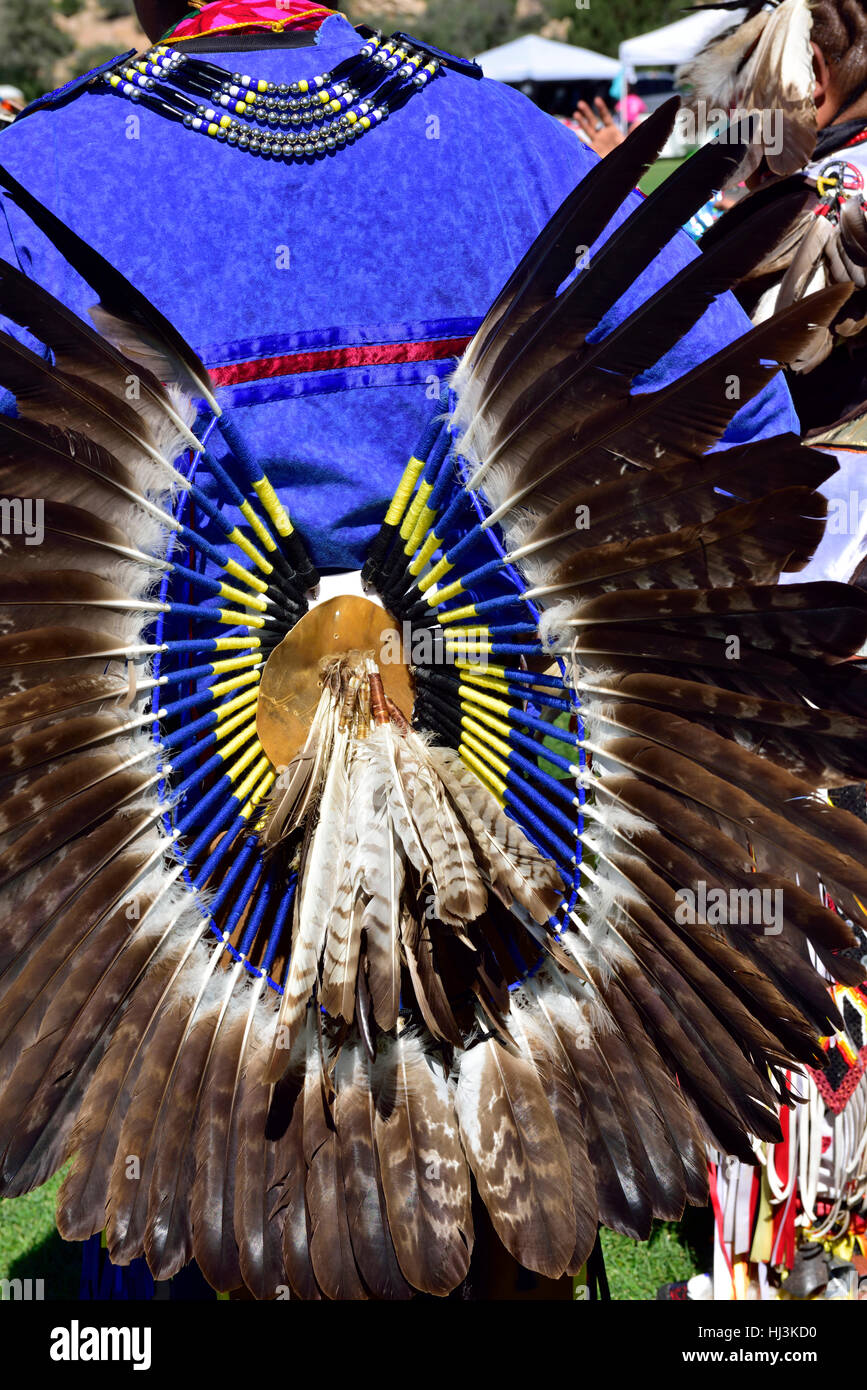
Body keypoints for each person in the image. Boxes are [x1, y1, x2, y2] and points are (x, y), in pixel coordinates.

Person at [0, 0, 796, 583]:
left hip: (130, 781)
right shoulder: (515, 141)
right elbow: (746, 418)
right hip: (514, 776)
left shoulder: (33, 173)